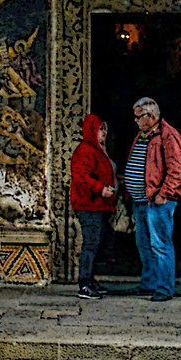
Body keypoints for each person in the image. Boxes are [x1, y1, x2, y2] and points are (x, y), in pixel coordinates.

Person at [125, 97, 181, 301]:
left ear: (151, 116)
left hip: (157, 202)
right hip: (141, 200)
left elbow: (177, 170)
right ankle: (149, 282)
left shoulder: (168, 135)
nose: (136, 121)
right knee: (144, 244)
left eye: (138, 117)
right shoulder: (142, 135)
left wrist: (163, 194)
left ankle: (164, 288)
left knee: (160, 244)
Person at [68, 114, 118, 298]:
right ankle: (84, 283)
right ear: (91, 130)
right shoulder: (85, 151)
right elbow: (81, 177)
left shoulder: (98, 150)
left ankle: (90, 280)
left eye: (105, 129)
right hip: (88, 205)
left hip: (99, 205)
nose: (103, 133)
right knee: (90, 243)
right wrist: (100, 189)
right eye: (100, 129)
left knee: (97, 242)